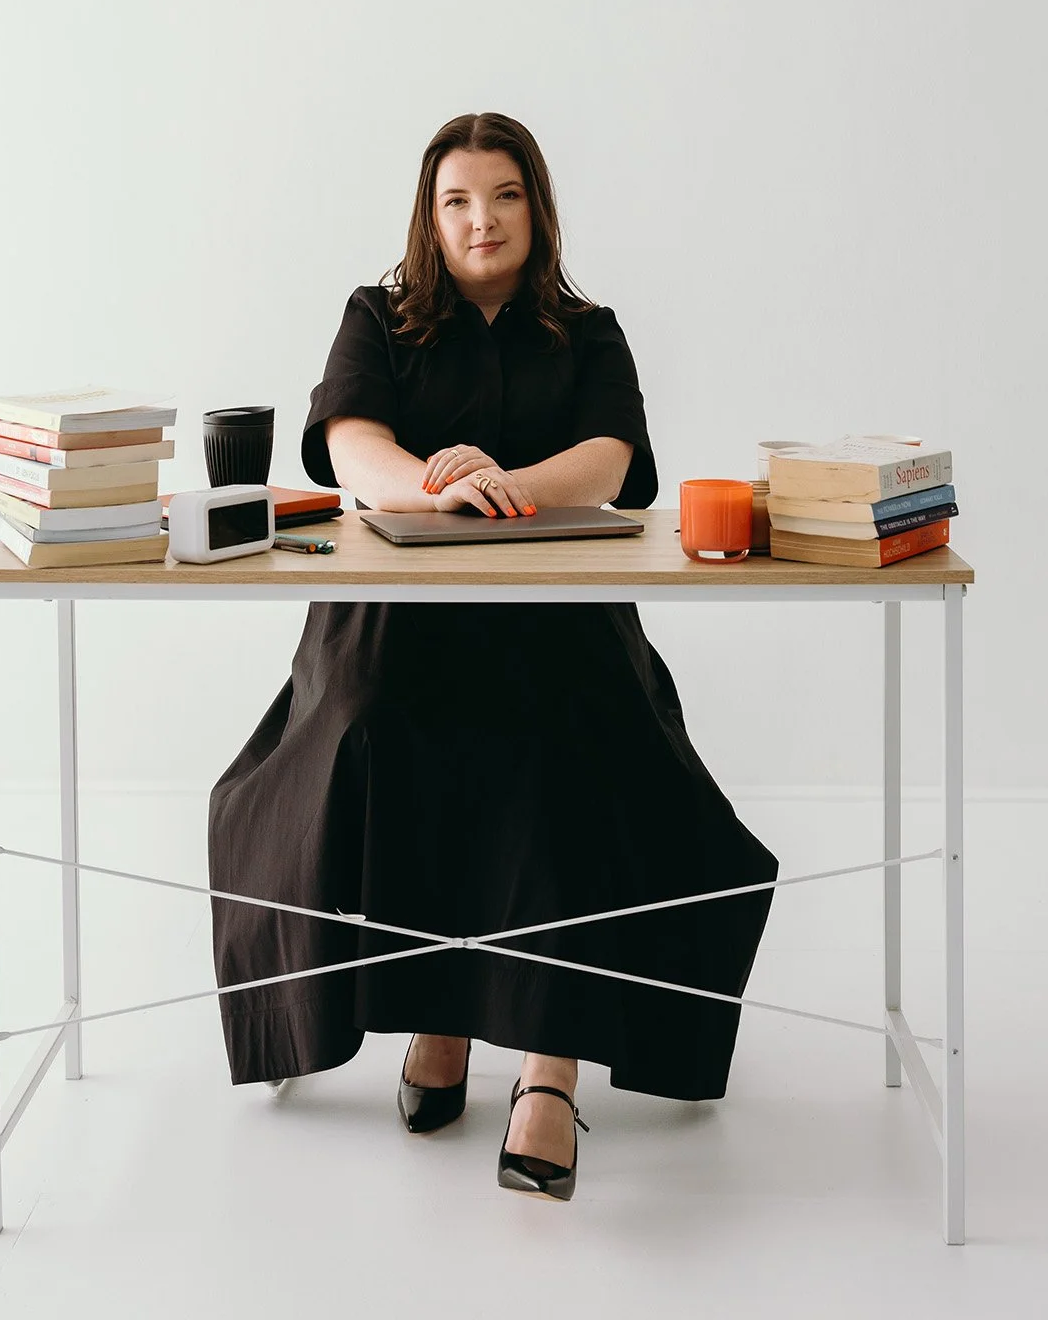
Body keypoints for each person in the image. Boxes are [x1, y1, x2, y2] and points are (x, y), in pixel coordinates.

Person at [207, 111, 779, 1201]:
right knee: (375, 719)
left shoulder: (588, 328)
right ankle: (442, 1011)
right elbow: (351, 445)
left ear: (536, 207)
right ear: (429, 216)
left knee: (570, 738)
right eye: (458, 200)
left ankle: (549, 1066)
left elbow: (609, 456)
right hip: (399, 606)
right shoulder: (375, 315)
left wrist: (506, 486)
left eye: (505, 195)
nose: (482, 219)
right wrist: (441, 487)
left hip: (555, 606)